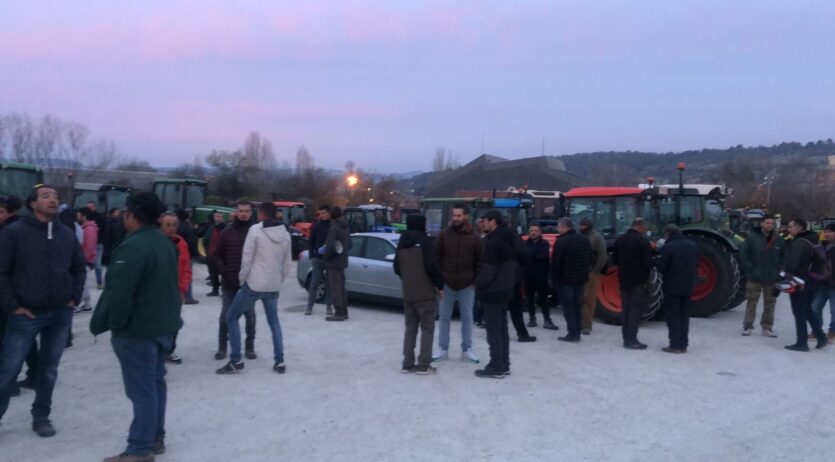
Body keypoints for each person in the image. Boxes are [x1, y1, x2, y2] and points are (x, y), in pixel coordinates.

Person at [91, 192, 181, 461]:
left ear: (131, 216)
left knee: (142, 392)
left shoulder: (133, 247)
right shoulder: (164, 243)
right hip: (162, 328)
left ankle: (139, 450)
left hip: (138, 331)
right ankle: (155, 437)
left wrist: (118, 325)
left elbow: (119, 294)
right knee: (155, 386)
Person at [0, 185, 86, 437]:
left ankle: (41, 416)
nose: (53, 200)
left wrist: (73, 296)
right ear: (32, 203)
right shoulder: (14, 232)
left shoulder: (66, 234)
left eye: (56, 197)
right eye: (46, 196)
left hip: (60, 313)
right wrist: (13, 306)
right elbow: (1, 271)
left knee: (48, 370)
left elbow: (79, 268)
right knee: (8, 369)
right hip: (25, 314)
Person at [217, 202, 292, 375]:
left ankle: (236, 359)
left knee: (231, 316)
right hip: (273, 285)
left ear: (262, 214)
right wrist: (278, 280)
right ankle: (279, 361)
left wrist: (243, 279)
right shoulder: (285, 233)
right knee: (274, 322)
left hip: (255, 283)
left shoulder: (256, 230)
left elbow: (247, 259)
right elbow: (287, 263)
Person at [432, 204, 483, 363]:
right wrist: (439, 282)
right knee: (444, 317)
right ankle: (443, 348)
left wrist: (475, 281)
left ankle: (467, 349)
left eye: (458, 215)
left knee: (467, 318)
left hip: (467, 284)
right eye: (454, 215)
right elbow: (436, 259)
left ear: (466, 216)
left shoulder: (474, 237)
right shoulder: (443, 235)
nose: (455, 218)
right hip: (447, 283)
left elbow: (480, 261)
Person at [394, 215, 444, 375]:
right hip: (425, 292)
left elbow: (396, 268)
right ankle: (423, 364)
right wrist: (439, 285)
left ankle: (407, 363)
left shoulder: (401, 243)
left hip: (408, 292)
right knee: (427, 328)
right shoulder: (426, 242)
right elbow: (431, 266)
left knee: (410, 328)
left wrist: (407, 277)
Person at [474, 210, 517, 379]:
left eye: (484, 221)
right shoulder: (509, 238)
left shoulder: (493, 242)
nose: (482, 224)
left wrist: (477, 285)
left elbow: (488, 271)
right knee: (502, 329)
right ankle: (504, 364)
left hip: (492, 291)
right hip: (505, 289)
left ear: (493, 222)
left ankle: (496, 366)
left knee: (493, 330)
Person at [211, 203, 257, 360]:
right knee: (225, 315)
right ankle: (222, 346)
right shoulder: (227, 232)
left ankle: (250, 347)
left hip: (249, 283)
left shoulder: (256, 232)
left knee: (250, 316)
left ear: (251, 213)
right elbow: (217, 255)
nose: (244, 214)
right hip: (229, 281)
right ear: (236, 213)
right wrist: (223, 270)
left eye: (247, 211)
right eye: (241, 211)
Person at [783, 218, 827, 351]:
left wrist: (783, 277)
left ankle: (802, 343)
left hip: (800, 282)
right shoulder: (813, 240)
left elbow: (791, 265)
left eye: (791, 227)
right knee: (807, 310)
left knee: (799, 312)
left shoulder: (799, 243)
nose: (788, 229)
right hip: (814, 281)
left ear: (799, 228)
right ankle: (821, 337)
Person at [738, 214, 785, 337]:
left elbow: (784, 257)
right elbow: (743, 252)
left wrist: (779, 272)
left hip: (772, 278)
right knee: (751, 303)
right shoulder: (752, 238)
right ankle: (748, 326)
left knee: (770, 304)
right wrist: (750, 268)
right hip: (755, 277)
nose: (769, 225)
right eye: (767, 223)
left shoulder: (779, 240)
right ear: (762, 224)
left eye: (772, 223)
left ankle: (767, 327)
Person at [656, 225, 699, 353]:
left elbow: (660, 267)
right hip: (688, 286)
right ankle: (683, 343)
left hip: (672, 286)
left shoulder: (668, 247)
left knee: (672, 316)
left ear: (668, 233)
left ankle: (674, 344)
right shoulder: (692, 245)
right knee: (684, 316)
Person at [612, 217, 653, 350]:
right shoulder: (643, 241)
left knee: (626, 309)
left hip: (623, 279)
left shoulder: (620, 239)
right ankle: (632, 339)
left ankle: (626, 337)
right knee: (635, 310)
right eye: (644, 226)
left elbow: (615, 260)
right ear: (640, 226)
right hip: (638, 281)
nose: (645, 229)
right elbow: (648, 263)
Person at [551, 217, 592, 343]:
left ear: (564, 227)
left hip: (565, 280)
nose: (557, 229)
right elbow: (590, 258)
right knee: (577, 306)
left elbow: (556, 263)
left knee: (568, 307)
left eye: (558, 227)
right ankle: (577, 332)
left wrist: (553, 278)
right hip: (580, 279)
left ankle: (572, 333)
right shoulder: (584, 239)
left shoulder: (561, 242)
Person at [159, 212, 192, 365]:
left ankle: (168, 350)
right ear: (161, 225)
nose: (171, 228)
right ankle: (158, 350)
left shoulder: (181, 243)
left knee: (174, 323)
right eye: (168, 225)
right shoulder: (155, 243)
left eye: (174, 225)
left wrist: (183, 289)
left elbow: (186, 268)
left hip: (176, 291)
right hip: (158, 291)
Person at [0, 195, 24, 397]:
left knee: (6, 340)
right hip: (15, 295)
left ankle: (10, 383)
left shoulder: (10, 232)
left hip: (9, 296)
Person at [525, 223, 557, 330]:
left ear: (540, 232)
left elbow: (541, 255)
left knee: (543, 299)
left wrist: (529, 254)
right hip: (528, 276)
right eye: (531, 230)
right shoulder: (525, 243)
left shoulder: (544, 243)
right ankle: (532, 318)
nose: (533, 232)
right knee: (529, 299)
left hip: (541, 276)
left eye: (535, 231)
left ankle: (547, 320)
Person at [579, 216, 607, 335]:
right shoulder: (580, 236)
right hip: (579, 271)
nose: (580, 227)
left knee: (588, 299)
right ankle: (579, 322)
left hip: (591, 272)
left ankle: (586, 325)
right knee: (579, 298)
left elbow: (602, 256)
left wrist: (595, 271)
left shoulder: (596, 237)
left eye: (583, 225)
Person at [508, 227, 537, 342]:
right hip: (513, 278)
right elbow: (526, 254)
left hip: (496, 280)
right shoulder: (514, 237)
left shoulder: (490, 238)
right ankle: (522, 334)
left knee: (497, 310)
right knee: (516, 308)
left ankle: (497, 333)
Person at [324, 206, 351, 321]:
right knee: (341, 286)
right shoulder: (345, 227)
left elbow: (330, 246)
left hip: (334, 262)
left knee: (335, 287)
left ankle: (339, 312)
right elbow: (350, 244)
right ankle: (344, 311)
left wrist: (326, 256)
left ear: (332, 215)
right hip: (343, 261)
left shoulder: (334, 227)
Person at [306, 205, 333, 316]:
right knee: (314, 283)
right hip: (317, 259)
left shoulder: (333, 226)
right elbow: (311, 241)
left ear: (329, 213)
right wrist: (311, 256)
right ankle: (309, 307)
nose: (321, 215)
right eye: (320, 213)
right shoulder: (315, 226)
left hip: (329, 259)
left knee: (329, 283)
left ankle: (329, 307)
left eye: (324, 213)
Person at [811, 223, 835, 343]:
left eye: (830, 231)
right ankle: (816, 331)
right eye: (825, 231)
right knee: (815, 307)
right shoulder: (821, 247)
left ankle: (833, 333)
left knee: (834, 310)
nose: (827, 234)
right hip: (821, 284)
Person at [77, 207, 99, 312]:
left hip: (86, 260)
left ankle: (80, 303)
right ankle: (86, 303)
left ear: (84, 216)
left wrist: (83, 259)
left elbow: (89, 246)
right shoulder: (85, 228)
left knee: (82, 282)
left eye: (79, 215)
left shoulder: (89, 229)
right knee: (84, 282)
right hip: (85, 259)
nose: (77, 217)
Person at [176, 208, 199, 305]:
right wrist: (195, 254)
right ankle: (188, 296)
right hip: (186, 254)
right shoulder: (188, 227)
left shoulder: (176, 226)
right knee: (187, 274)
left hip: (176, 254)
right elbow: (192, 242)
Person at [203, 210, 226, 297]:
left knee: (224, 274)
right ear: (214, 217)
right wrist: (207, 249)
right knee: (213, 273)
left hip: (222, 255)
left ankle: (224, 291)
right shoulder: (211, 228)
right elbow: (206, 239)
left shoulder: (226, 228)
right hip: (211, 254)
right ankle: (215, 290)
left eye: (221, 217)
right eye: (217, 217)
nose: (219, 218)